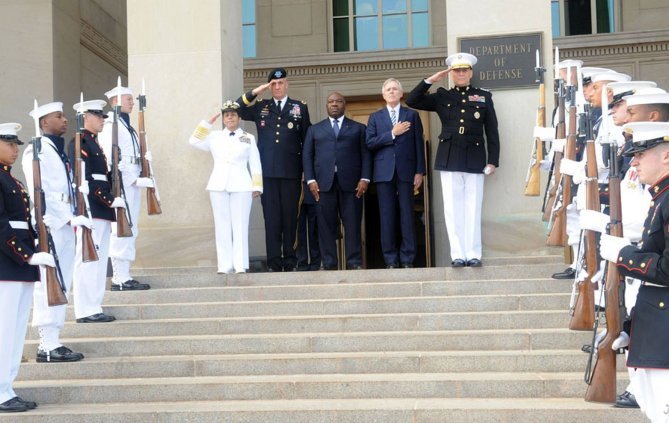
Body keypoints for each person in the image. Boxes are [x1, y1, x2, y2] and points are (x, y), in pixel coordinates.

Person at [600, 121, 669, 423]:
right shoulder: (660, 197)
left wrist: (623, 255)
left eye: (641, 154)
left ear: (666, 155)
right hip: (655, 331)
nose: (634, 162)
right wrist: (632, 326)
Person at [406, 53, 499, 267]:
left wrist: (493, 160)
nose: (461, 74)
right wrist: (431, 80)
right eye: (456, 71)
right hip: (449, 157)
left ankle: (473, 254)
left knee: (473, 208)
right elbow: (412, 100)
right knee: (452, 209)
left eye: (464, 70)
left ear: (471, 73)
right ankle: (458, 254)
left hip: (475, 157)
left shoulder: (483, 97)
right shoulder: (442, 96)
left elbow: (492, 131)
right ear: (451, 74)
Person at [21, 102, 86, 362]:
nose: (65, 119)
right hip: (50, 222)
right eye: (58, 116)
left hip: (65, 221)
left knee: (62, 280)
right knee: (48, 282)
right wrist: (52, 217)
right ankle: (46, 344)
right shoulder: (36, 150)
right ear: (44, 122)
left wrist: (75, 214)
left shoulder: (57, 149)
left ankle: (54, 340)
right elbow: (38, 189)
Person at [0, 122, 53, 412]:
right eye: (9, 143)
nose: (15, 149)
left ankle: (6, 388)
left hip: (18, 265)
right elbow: (1, 226)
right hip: (7, 264)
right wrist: (26, 255)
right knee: (4, 329)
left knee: (16, 329)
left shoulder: (13, 180)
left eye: (16, 144)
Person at [236, 68, 311, 272]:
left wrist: (306, 171)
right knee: (271, 219)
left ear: (287, 84)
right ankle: (274, 262)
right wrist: (256, 91)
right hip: (267, 173)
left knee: (291, 218)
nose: (277, 87)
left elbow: (307, 142)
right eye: (273, 84)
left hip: (292, 173)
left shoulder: (299, 107)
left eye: (281, 83)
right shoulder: (262, 106)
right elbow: (237, 108)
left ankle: (290, 260)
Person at [189, 100, 263, 274]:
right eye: (227, 115)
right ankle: (224, 265)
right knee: (221, 226)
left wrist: (257, 186)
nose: (230, 118)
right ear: (223, 119)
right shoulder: (214, 136)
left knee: (240, 225)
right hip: (218, 184)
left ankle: (240, 265)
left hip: (242, 185)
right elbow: (193, 141)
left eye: (233, 115)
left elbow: (255, 162)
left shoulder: (248, 137)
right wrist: (207, 124)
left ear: (239, 118)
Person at [303, 92, 372, 270]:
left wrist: (365, 178)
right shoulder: (314, 129)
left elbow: (366, 155)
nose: (334, 104)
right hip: (322, 185)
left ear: (344, 105)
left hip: (353, 185)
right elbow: (307, 156)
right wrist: (310, 180)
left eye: (338, 101)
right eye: (331, 102)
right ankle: (329, 263)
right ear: (326, 105)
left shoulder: (358, 128)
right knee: (325, 226)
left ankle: (354, 262)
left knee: (353, 224)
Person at [366, 78, 426, 268]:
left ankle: (408, 258)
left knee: (407, 215)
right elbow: (370, 143)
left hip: (406, 172)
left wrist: (419, 171)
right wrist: (393, 133)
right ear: (383, 95)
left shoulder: (412, 115)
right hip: (383, 174)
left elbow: (418, 144)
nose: (391, 92)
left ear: (401, 93)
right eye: (388, 90)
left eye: (395, 89)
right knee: (387, 217)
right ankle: (390, 259)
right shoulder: (375, 117)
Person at [72, 100, 122, 323]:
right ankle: (85, 309)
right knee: (88, 260)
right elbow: (85, 178)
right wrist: (108, 199)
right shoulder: (80, 141)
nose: (102, 120)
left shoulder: (93, 142)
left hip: (101, 208)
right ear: (85, 117)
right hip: (92, 207)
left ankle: (94, 305)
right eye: (98, 116)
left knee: (99, 260)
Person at [99, 85, 151, 291]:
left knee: (131, 228)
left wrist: (145, 170)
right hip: (121, 183)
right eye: (128, 99)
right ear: (115, 102)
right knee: (121, 228)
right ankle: (119, 278)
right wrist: (131, 180)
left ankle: (125, 274)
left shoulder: (127, 126)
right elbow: (110, 158)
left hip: (133, 180)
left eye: (131, 98)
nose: (132, 102)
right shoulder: (110, 125)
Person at [296, 181, 321, 271]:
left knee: (314, 229)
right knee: (299, 229)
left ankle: (316, 261)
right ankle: (301, 261)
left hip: (313, 189)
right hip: (297, 189)